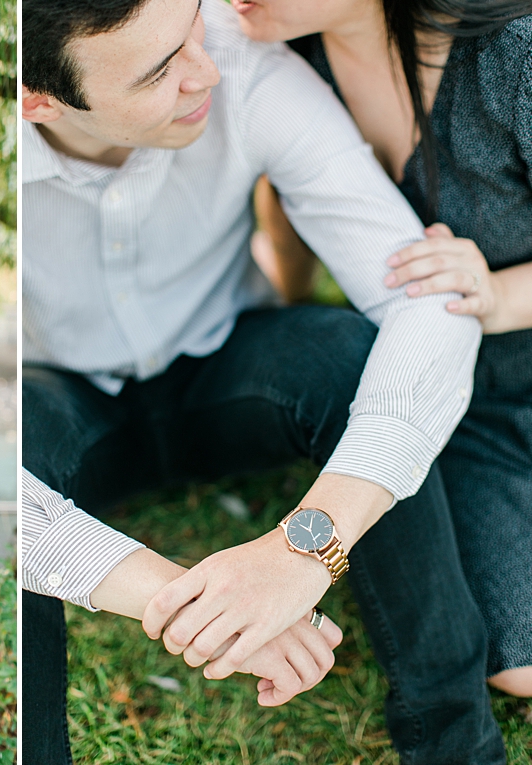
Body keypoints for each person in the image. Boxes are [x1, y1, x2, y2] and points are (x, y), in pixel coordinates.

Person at [20, 0, 507, 762]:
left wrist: (301, 550)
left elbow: (431, 305)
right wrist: (202, 606)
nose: (203, 68)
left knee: (353, 353)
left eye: (191, 30)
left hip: (229, 368)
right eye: (159, 71)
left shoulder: (240, 66)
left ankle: (455, 741)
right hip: (64, 399)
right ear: (37, 102)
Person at [228, 0, 532, 698]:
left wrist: (497, 294)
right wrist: (285, 303)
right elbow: (287, 200)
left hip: (517, 349)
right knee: (517, 663)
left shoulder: (513, 54)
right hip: (459, 402)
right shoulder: (291, 54)